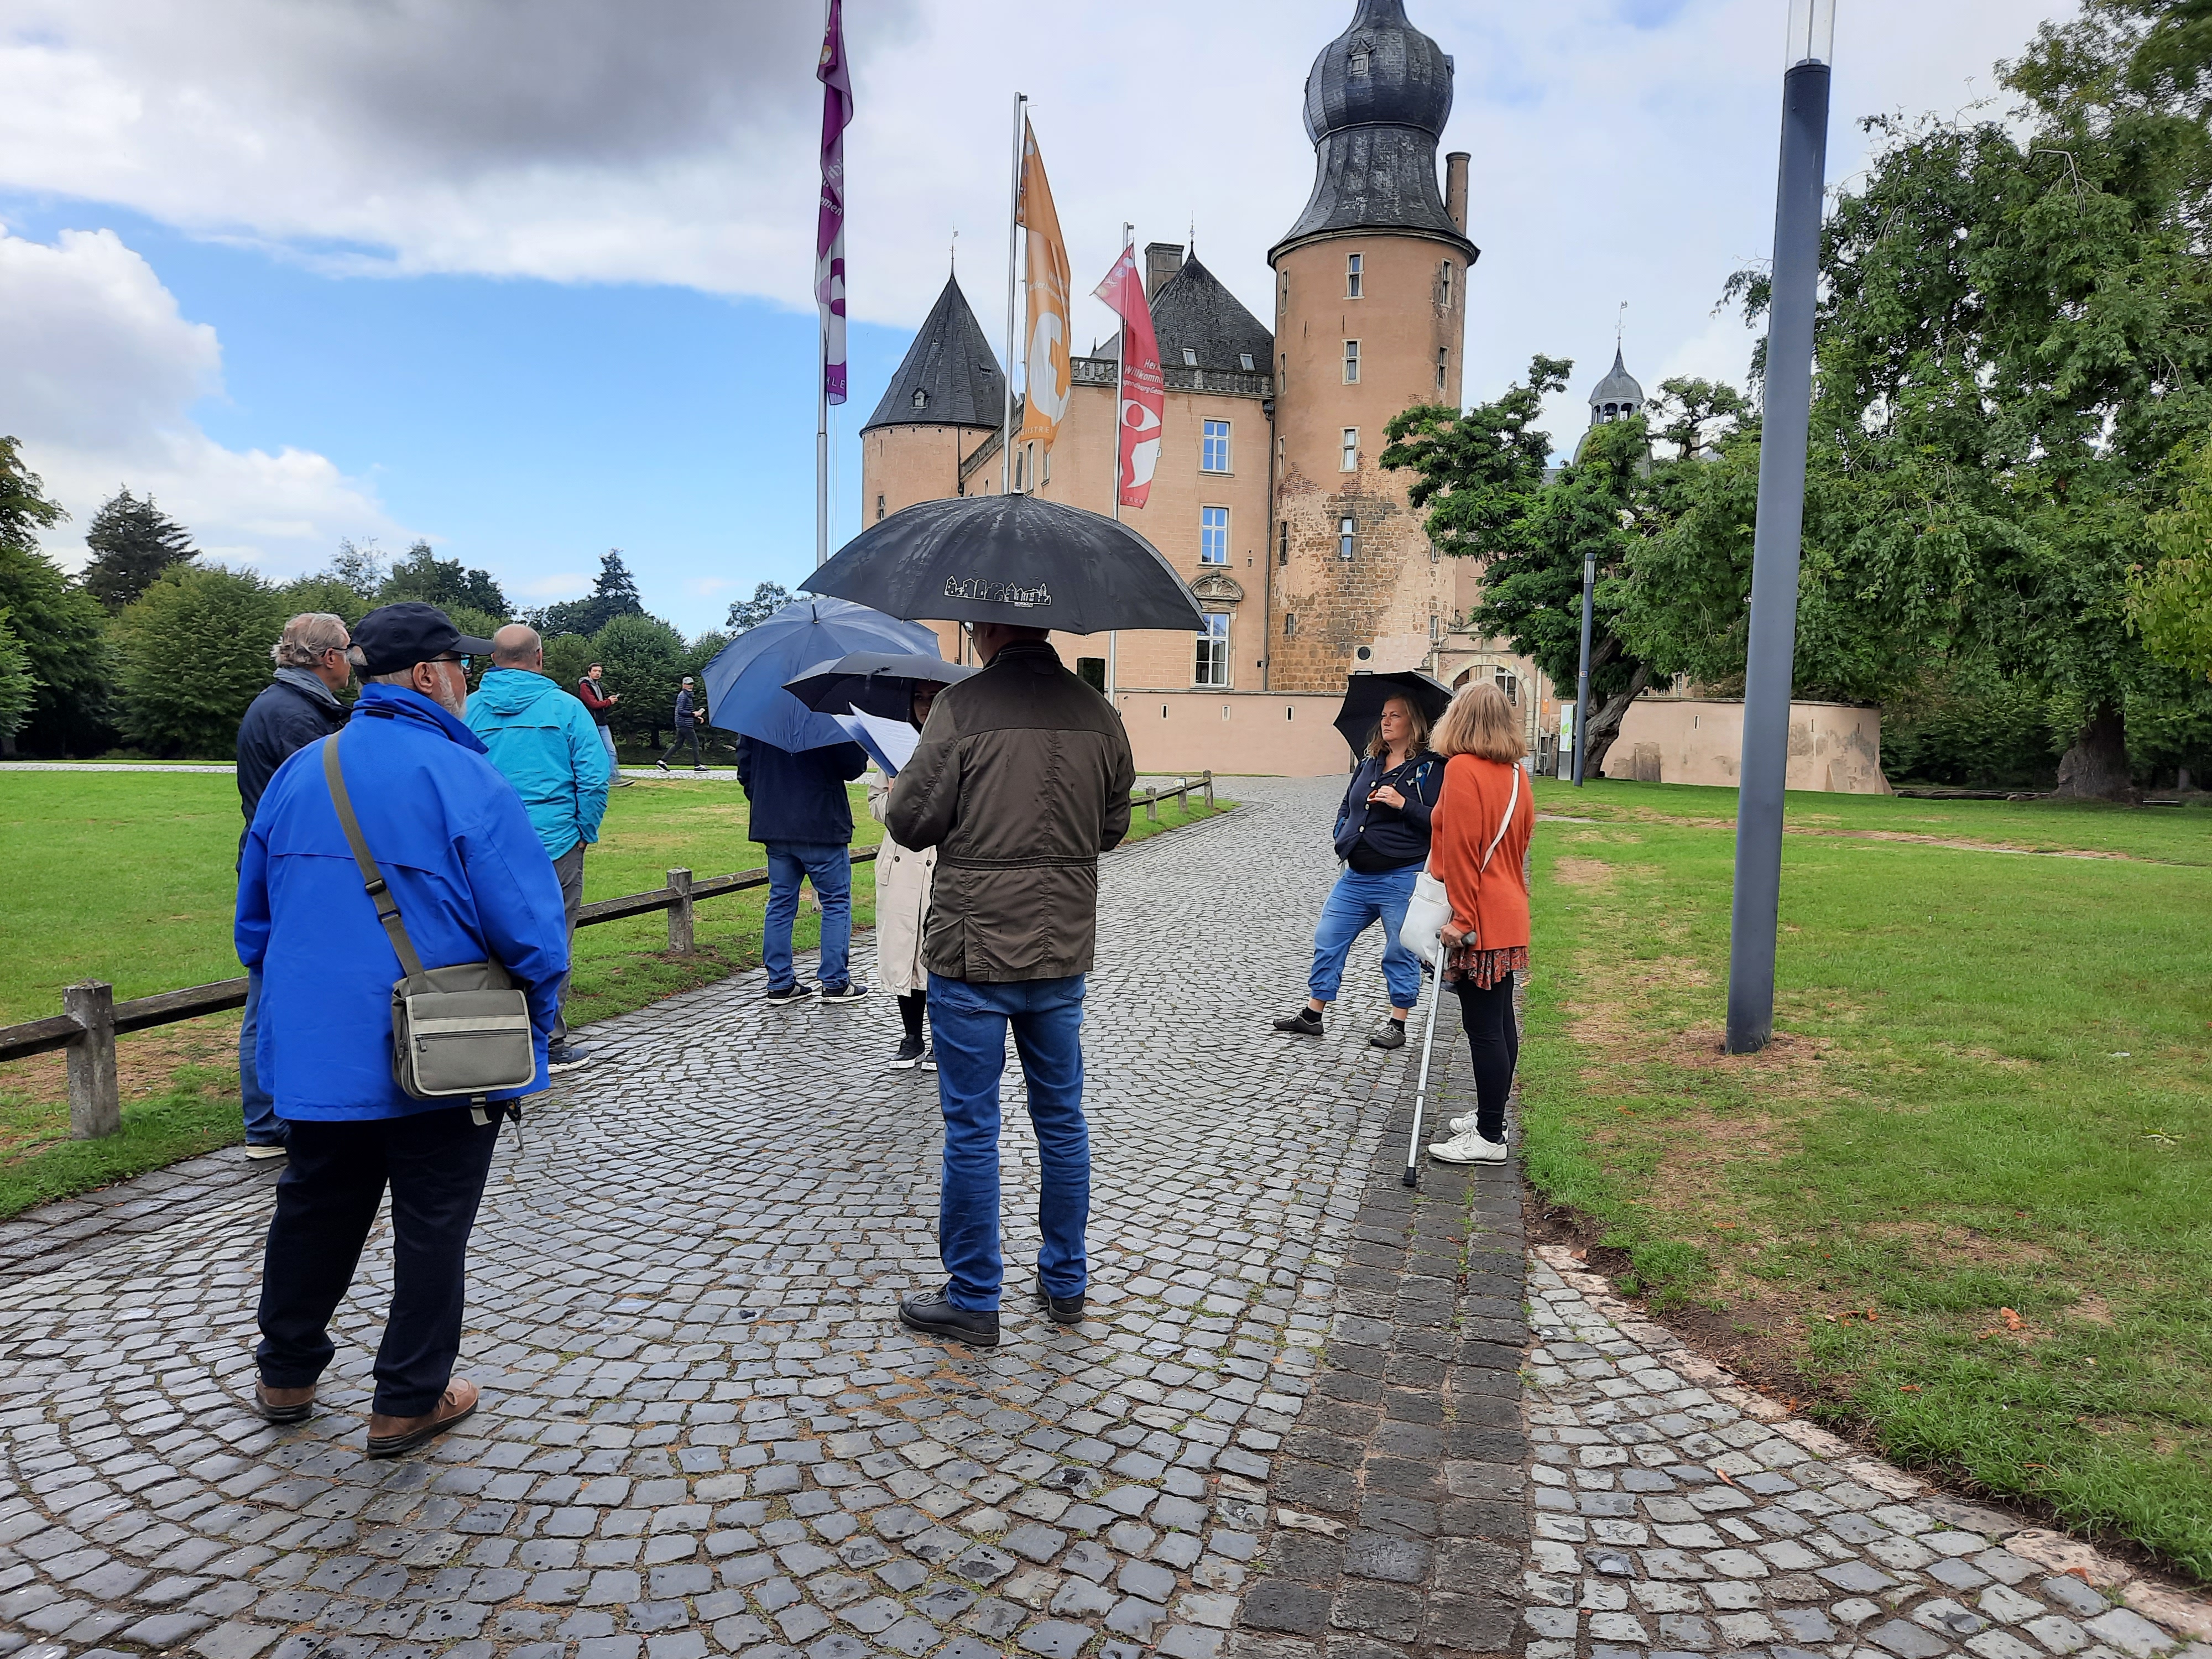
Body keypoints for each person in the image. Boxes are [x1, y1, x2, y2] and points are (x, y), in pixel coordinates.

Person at [236, 601, 569, 1456]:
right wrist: (536, 1017)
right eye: (458, 666)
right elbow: (532, 929)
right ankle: (408, 1399)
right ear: (427, 675)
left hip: (318, 1050)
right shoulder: (463, 776)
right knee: (431, 1224)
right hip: (442, 1047)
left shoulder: (304, 770)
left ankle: (286, 1373)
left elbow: (254, 924)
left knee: (313, 1208)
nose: (467, 679)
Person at [887, 622, 1135, 1348]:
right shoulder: (1098, 711)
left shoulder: (961, 708)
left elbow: (910, 821)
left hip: (974, 951)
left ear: (985, 627)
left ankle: (974, 1296)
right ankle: (1065, 1281)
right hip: (1061, 947)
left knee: (973, 1127)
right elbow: (1112, 826)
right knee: (1062, 1120)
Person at [233, 612, 353, 1160]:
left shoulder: (296, 707)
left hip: (288, 861)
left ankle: (282, 1111)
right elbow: (324, 796)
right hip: (290, 867)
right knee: (270, 995)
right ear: (328, 657)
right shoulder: (293, 715)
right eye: (347, 651)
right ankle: (265, 1122)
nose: (353, 662)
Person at [466, 624, 611, 1073]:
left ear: (493, 659)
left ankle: (494, 1036)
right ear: (540, 658)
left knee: (487, 940)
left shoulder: (466, 709)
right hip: (554, 839)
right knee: (554, 938)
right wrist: (585, 829)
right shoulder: (566, 708)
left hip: (486, 845)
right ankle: (548, 1037)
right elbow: (593, 774)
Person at [1272, 694, 1442, 1050]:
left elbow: (1440, 821)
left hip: (1401, 876)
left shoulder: (1431, 768)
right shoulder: (1369, 763)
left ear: (1415, 723)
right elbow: (1347, 803)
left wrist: (1402, 804)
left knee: (1400, 950)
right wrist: (1342, 831)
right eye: (1384, 715)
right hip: (1356, 876)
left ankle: (1398, 1023)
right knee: (1328, 937)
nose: (1387, 721)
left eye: (1396, 716)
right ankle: (1313, 1015)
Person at [1423, 682, 1535, 1166]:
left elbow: (1463, 851)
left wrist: (1463, 918)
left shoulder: (1463, 769)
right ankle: (1494, 1116)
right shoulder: (1516, 775)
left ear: (1458, 719)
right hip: (1509, 909)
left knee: (1485, 1028)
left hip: (1480, 917)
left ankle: (1490, 1137)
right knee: (1501, 1021)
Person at [737, 731, 870, 1005]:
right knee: (836, 902)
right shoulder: (825, 716)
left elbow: (745, 770)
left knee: (780, 903)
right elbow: (853, 767)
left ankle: (780, 982)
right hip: (822, 823)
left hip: (775, 823)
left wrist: (768, 802)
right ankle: (835, 982)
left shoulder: (759, 717)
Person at [867, 682, 942, 1069]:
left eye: (933, 697)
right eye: (919, 698)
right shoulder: (894, 748)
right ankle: (911, 1035)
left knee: (937, 949)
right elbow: (876, 804)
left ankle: (940, 1040)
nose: (926, 706)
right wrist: (897, 794)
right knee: (902, 950)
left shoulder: (958, 742)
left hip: (939, 859)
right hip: (899, 862)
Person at [576, 662, 633, 786]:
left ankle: (614, 777)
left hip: (602, 723)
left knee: (611, 750)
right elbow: (594, 704)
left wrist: (608, 701)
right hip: (591, 723)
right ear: (589, 672)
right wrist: (609, 702)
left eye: (599, 672)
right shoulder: (585, 686)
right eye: (595, 671)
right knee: (591, 752)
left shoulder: (599, 686)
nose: (597, 673)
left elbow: (601, 704)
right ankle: (591, 778)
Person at [656, 676, 705, 772]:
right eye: (688, 684)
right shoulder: (683, 696)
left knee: (678, 744)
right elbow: (680, 711)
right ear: (683, 685)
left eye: (691, 684)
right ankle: (697, 765)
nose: (690, 686)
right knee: (695, 743)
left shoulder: (687, 695)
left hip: (682, 723)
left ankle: (662, 761)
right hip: (684, 724)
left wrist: (696, 716)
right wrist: (693, 714)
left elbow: (685, 711)